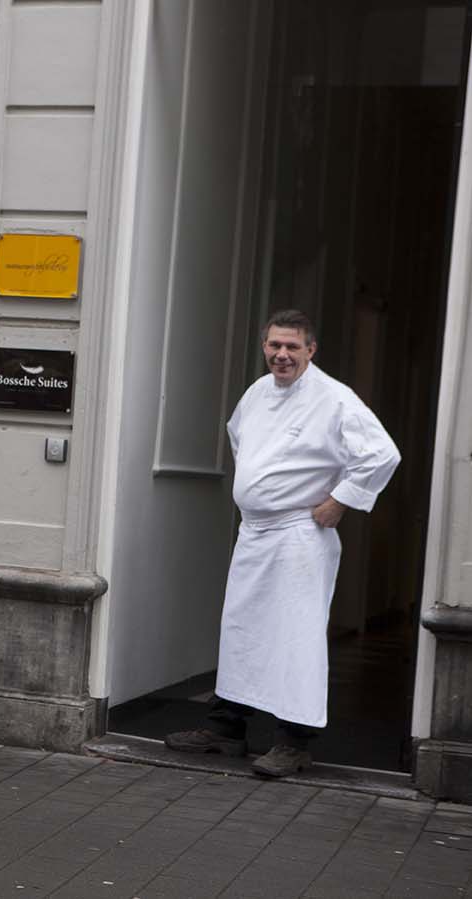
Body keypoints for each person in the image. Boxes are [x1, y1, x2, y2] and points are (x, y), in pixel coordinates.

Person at [165, 309, 400, 777]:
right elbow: (240, 441)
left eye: (292, 346)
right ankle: (226, 727)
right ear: (264, 347)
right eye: (275, 345)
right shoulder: (257, 392)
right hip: (255, 532)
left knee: (295, 637)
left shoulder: (335, 399)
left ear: (311, 350)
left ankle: (294, 741)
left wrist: (340, 500)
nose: (282, 355)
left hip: (300, 534)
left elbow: (382, 454)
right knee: (243, 630)